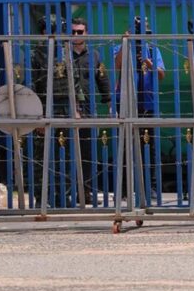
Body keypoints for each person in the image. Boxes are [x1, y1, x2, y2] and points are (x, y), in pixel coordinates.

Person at [113, 17, 167, 204]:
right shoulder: (124, 47)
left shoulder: (153, 50)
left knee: (148, 146)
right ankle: (125, 188)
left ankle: (149, 187)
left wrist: (148, 62)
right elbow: (117, 65)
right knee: (126, 145)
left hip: (148, 102)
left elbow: (161, 75)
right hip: (126, 101)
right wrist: (125, 43)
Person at [65, 17, 111, 206]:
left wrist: (109, 103)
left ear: (86, 34)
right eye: (73, 31)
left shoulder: (94, 56)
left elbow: (103, 79)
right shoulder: (62, 55)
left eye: (80, 32)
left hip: (88, 110)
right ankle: (65, 192)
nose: (76, 35)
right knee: (66, 152)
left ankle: (85, 192)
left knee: (88, 154)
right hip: (65, 109)